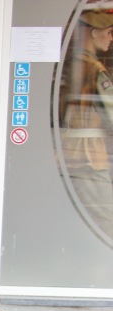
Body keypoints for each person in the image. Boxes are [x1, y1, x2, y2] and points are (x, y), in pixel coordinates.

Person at [59, 8, 113, 236]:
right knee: (105, 221)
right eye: (109, 32)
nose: (111, 39)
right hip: (89, 158)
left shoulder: (68, 64)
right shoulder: (93, 68)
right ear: (92, 32)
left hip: (68, 155)